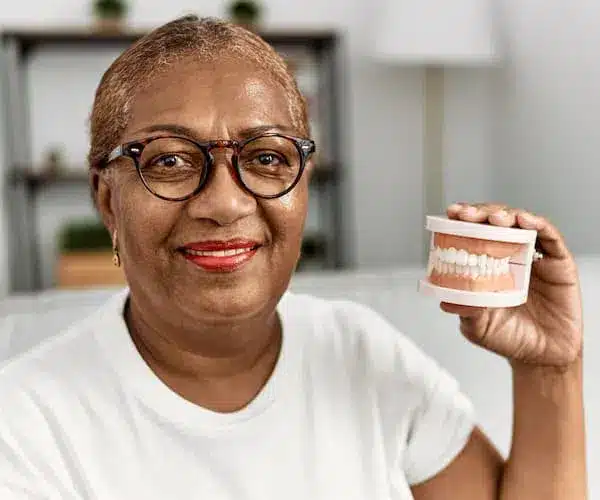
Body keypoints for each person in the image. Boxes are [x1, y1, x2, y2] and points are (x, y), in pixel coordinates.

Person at [0, 15, 586, 499]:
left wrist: (550, 369)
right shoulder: (26, 429)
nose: (226, 203)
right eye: (170, 160)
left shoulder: (361, 352)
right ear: (107, 199)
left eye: (267, 157)